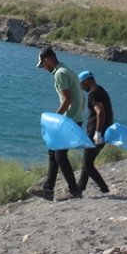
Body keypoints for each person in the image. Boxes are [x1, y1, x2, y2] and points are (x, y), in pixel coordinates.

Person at [32, 46, 84, 200]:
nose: (44, 68)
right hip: (75, 119)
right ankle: (49, 188)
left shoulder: (60, 74)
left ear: (48, 59)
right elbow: (80, 97)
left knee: (60, 156)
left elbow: (67, 99)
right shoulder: (67, 69)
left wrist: (55, 119)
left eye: (43, 64)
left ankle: (74, 191)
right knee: (53, 152)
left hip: (68, 121)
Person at [77, 70, 112, 194]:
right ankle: (79, 188)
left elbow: (100, 112)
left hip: (95, 133)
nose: (81, 87)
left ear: (87, 81)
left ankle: (104, 188)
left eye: (81, 84)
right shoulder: (101, 90)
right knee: (88, 161)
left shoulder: (93, 94)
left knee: (87, 165)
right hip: (104, 132)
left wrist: (97, 133)